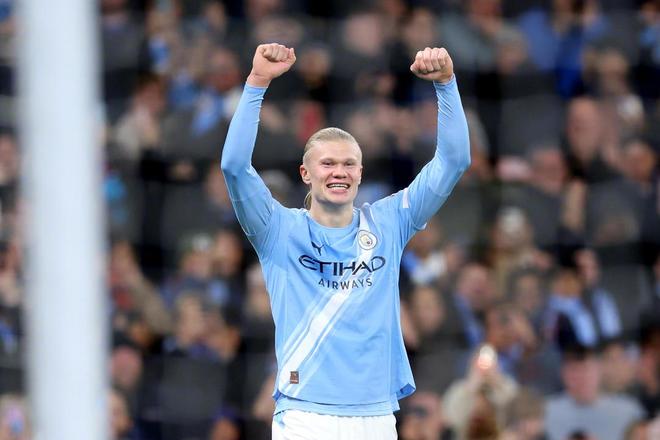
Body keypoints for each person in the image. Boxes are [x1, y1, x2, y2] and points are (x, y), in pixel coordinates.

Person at [221, 43, 470, 439]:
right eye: (328, 163)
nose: (339, 172)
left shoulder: (390, 222)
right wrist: (256, 83)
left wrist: (446, 84)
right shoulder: (278, 230)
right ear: (305, 174)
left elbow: (454, 162)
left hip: (375, 417)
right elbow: (234, 166)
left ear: (360, 173)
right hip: (305, 415)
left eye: (349, 163)